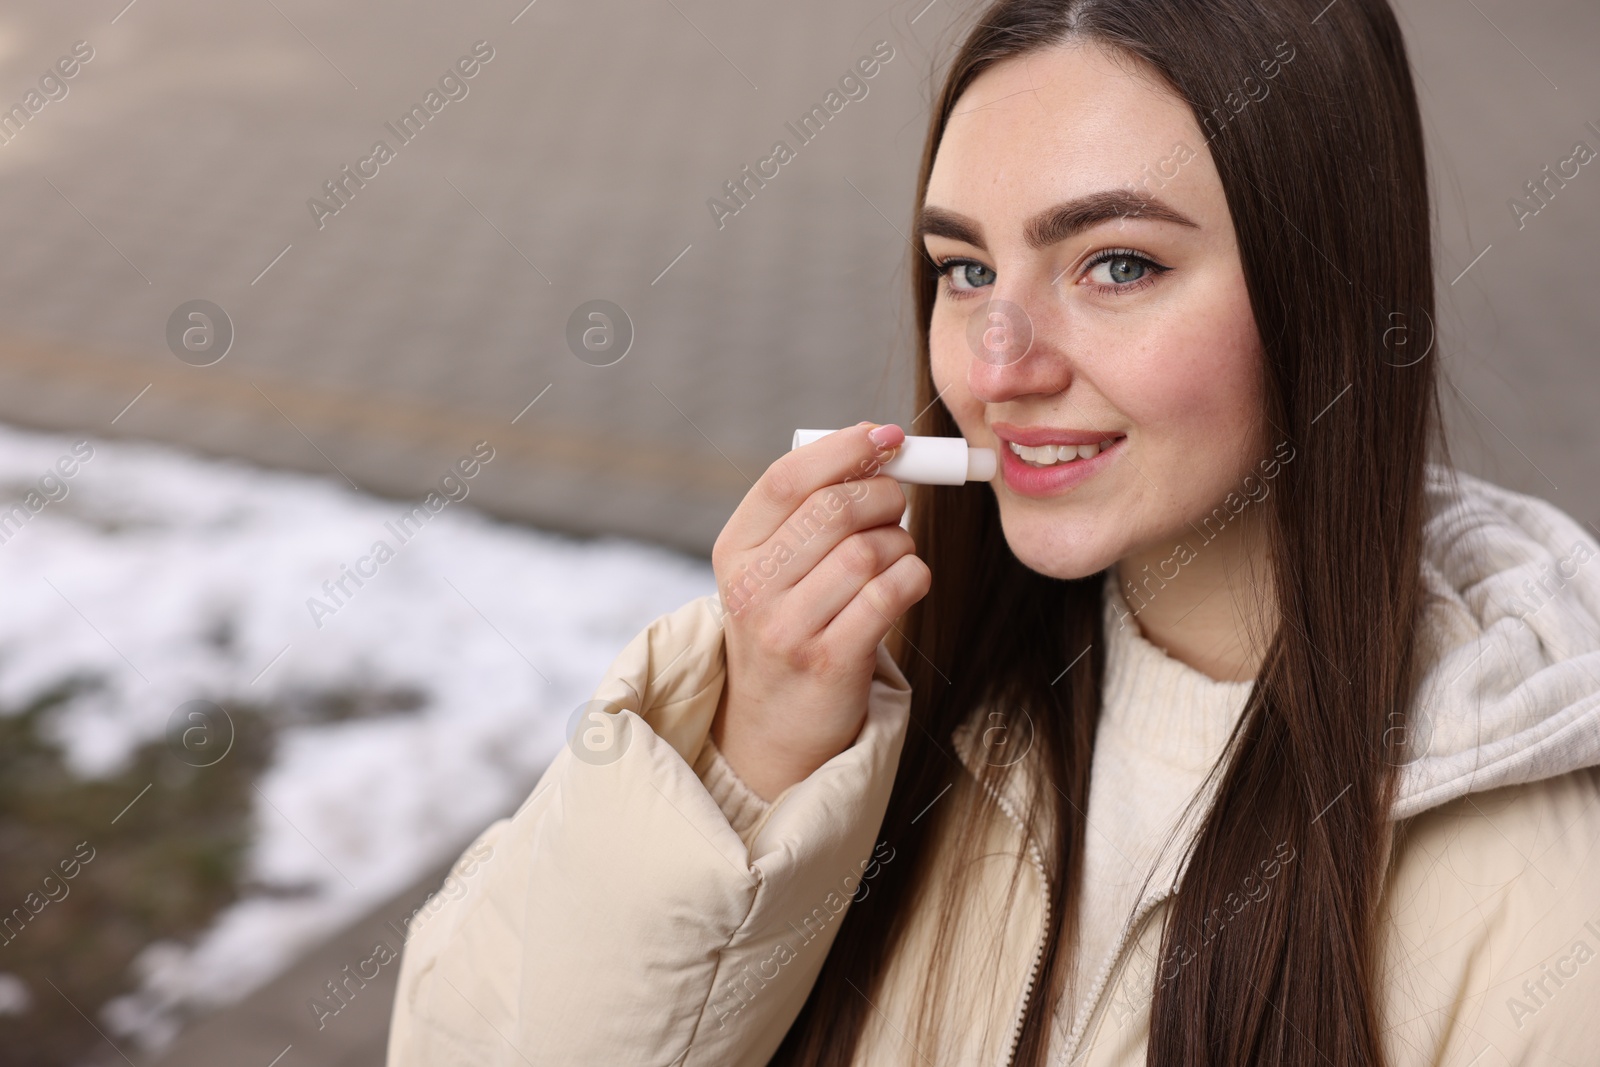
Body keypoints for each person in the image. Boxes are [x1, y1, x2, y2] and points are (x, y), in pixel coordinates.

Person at [386, 0, 1600, 1063]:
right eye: (965, 270)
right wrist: (750, 761)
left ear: (1327, 289)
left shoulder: (1545, 905)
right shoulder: (873, 687)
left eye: (1115, 264)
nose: (996, 365)